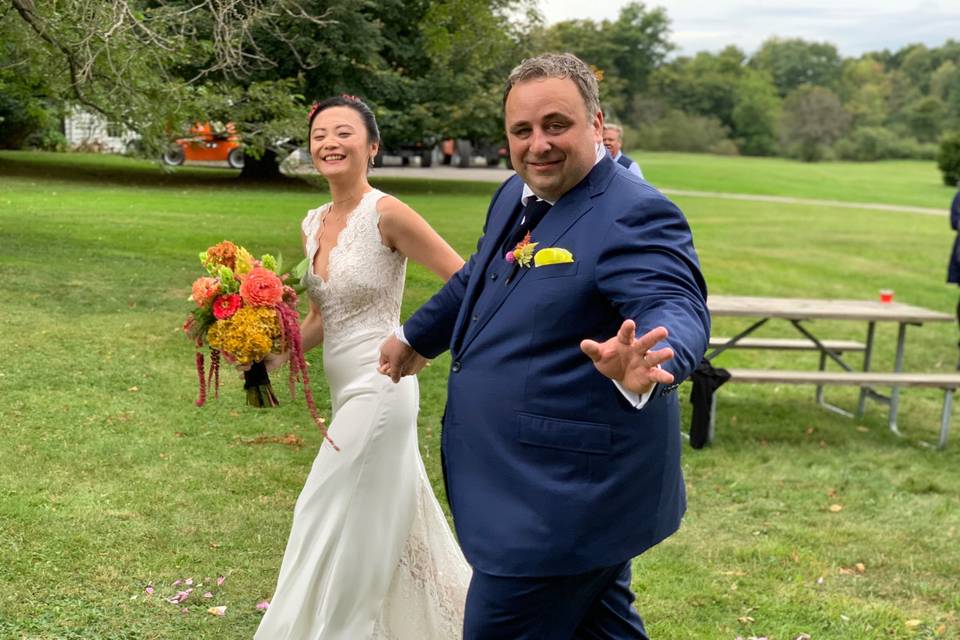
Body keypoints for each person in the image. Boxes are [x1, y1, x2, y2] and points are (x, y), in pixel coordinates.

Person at [379, 53, 710, 639]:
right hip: (540, 491)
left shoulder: (635, 212)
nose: (538, 145)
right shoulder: (515, 194)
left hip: (557, 502)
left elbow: (673, 303)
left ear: (595, 122)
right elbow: (479, 274)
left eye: (556, 125)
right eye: (522, 130)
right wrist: (415, 337)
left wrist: (655, 358)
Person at [254, 94, 470, 640]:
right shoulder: (312, 222)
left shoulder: (387, 212)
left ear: (371, 146)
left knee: (320, 507)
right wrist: (270, 355)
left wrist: (417, 339)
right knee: (386, 521)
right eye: (321, 133)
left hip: (383, 385)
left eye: (344, 132)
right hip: (341, 388)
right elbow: (319, 315)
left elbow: (466, 280)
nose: (330, 142)